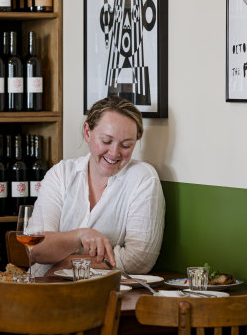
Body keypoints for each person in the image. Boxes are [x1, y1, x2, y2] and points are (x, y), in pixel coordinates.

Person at [30, 96, 165, 277]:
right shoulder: (61, 174)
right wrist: (80, 236)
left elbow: (139, 259)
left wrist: (67, 262)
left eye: (126, 145)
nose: (114, 153)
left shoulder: (143, 178)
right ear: (87, 132)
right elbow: (35, 248)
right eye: (107, 141)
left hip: (102, 295)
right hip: (39, 289)